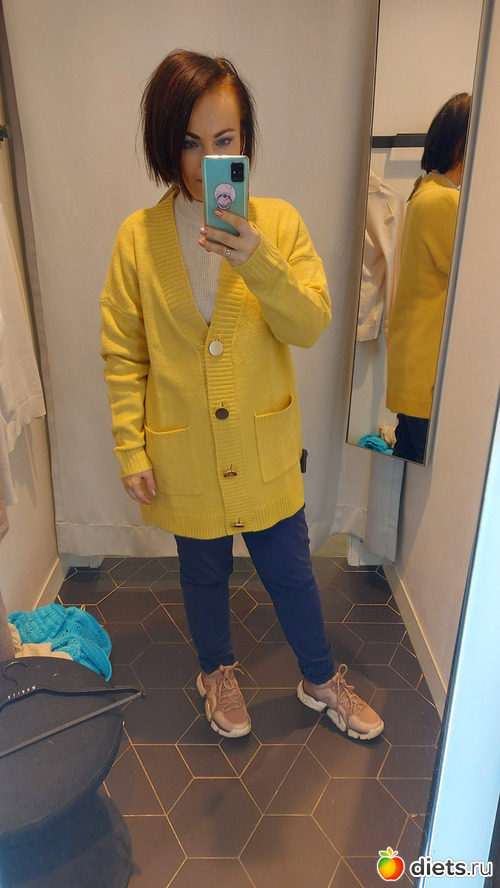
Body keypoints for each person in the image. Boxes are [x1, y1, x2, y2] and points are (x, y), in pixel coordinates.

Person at [100, 49, 384, 741]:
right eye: (189, 142)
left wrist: (257, 258)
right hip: (187, 452)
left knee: (291, 571)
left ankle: (321, 678)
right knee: (202, 574)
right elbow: (124, 352)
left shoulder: (278, 225)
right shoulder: (137, 239)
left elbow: (311, 323)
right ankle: (216, 671)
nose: (206, 161)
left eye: (223, 140)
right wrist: (131, 446)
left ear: (246, 140)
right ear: (164, 143)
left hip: (262, 449)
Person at [386, 93, 471, 463]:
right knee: (436, 472)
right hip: (427, 372)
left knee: (404, 470)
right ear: (462, 143)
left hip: (414, 365)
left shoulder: (425, 192)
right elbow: (474, 277)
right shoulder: (445, 202)